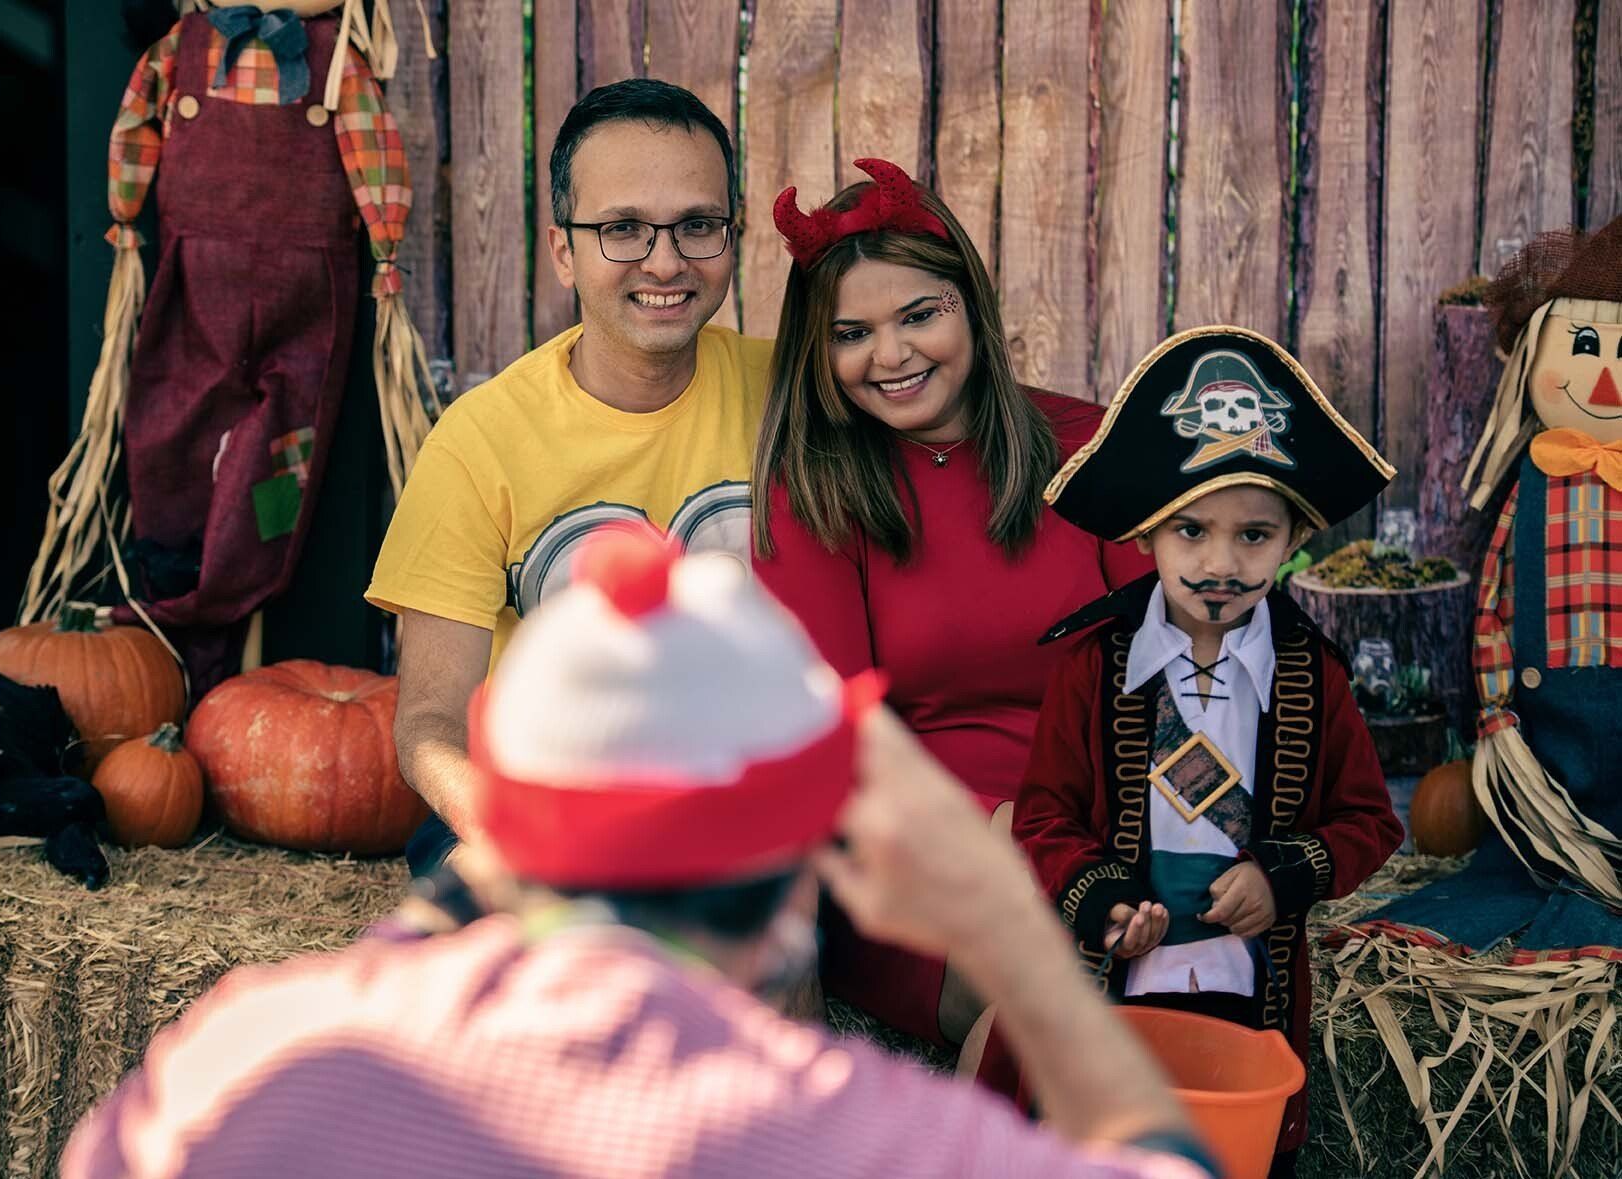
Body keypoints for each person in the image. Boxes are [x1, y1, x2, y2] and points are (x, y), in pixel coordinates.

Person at [61, 531, 1220, 1179]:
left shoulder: (247, 1050)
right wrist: (1006, 930)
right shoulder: (840, 1135)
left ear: (498, 842)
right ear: (793, 901)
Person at [751, 158, 1151, 1045]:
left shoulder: (1088, 445)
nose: (890, 356)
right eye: (852, 332)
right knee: (1050, 1005)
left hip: (1103, 822)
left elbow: (1167, 668)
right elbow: (834, 741)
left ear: (970, 301)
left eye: (919, 315)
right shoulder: (813, 493)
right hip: (921, 857)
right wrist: (996, 830)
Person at [1002, 326, 1406, 1176]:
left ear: (1296, 535)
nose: (1221, 562)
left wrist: (1283, 874)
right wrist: (1103, 898)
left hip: (1250, 990)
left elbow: (1371, 819)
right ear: (1146, 532)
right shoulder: (1094, 665)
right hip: (1118, 983)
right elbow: (1042, 815)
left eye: (1254, 535)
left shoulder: (1314, 677)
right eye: (1191, 531)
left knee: (1237, 1150)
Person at [366, 79, 771, 874]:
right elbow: (429, 726)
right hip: (536, 808)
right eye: (622, 227)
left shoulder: (792, 395)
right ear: (564, 250)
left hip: (738, 807)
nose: (665, 260)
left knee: (769, 933)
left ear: (734, 236)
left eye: (697, 225)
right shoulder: (480, 441)